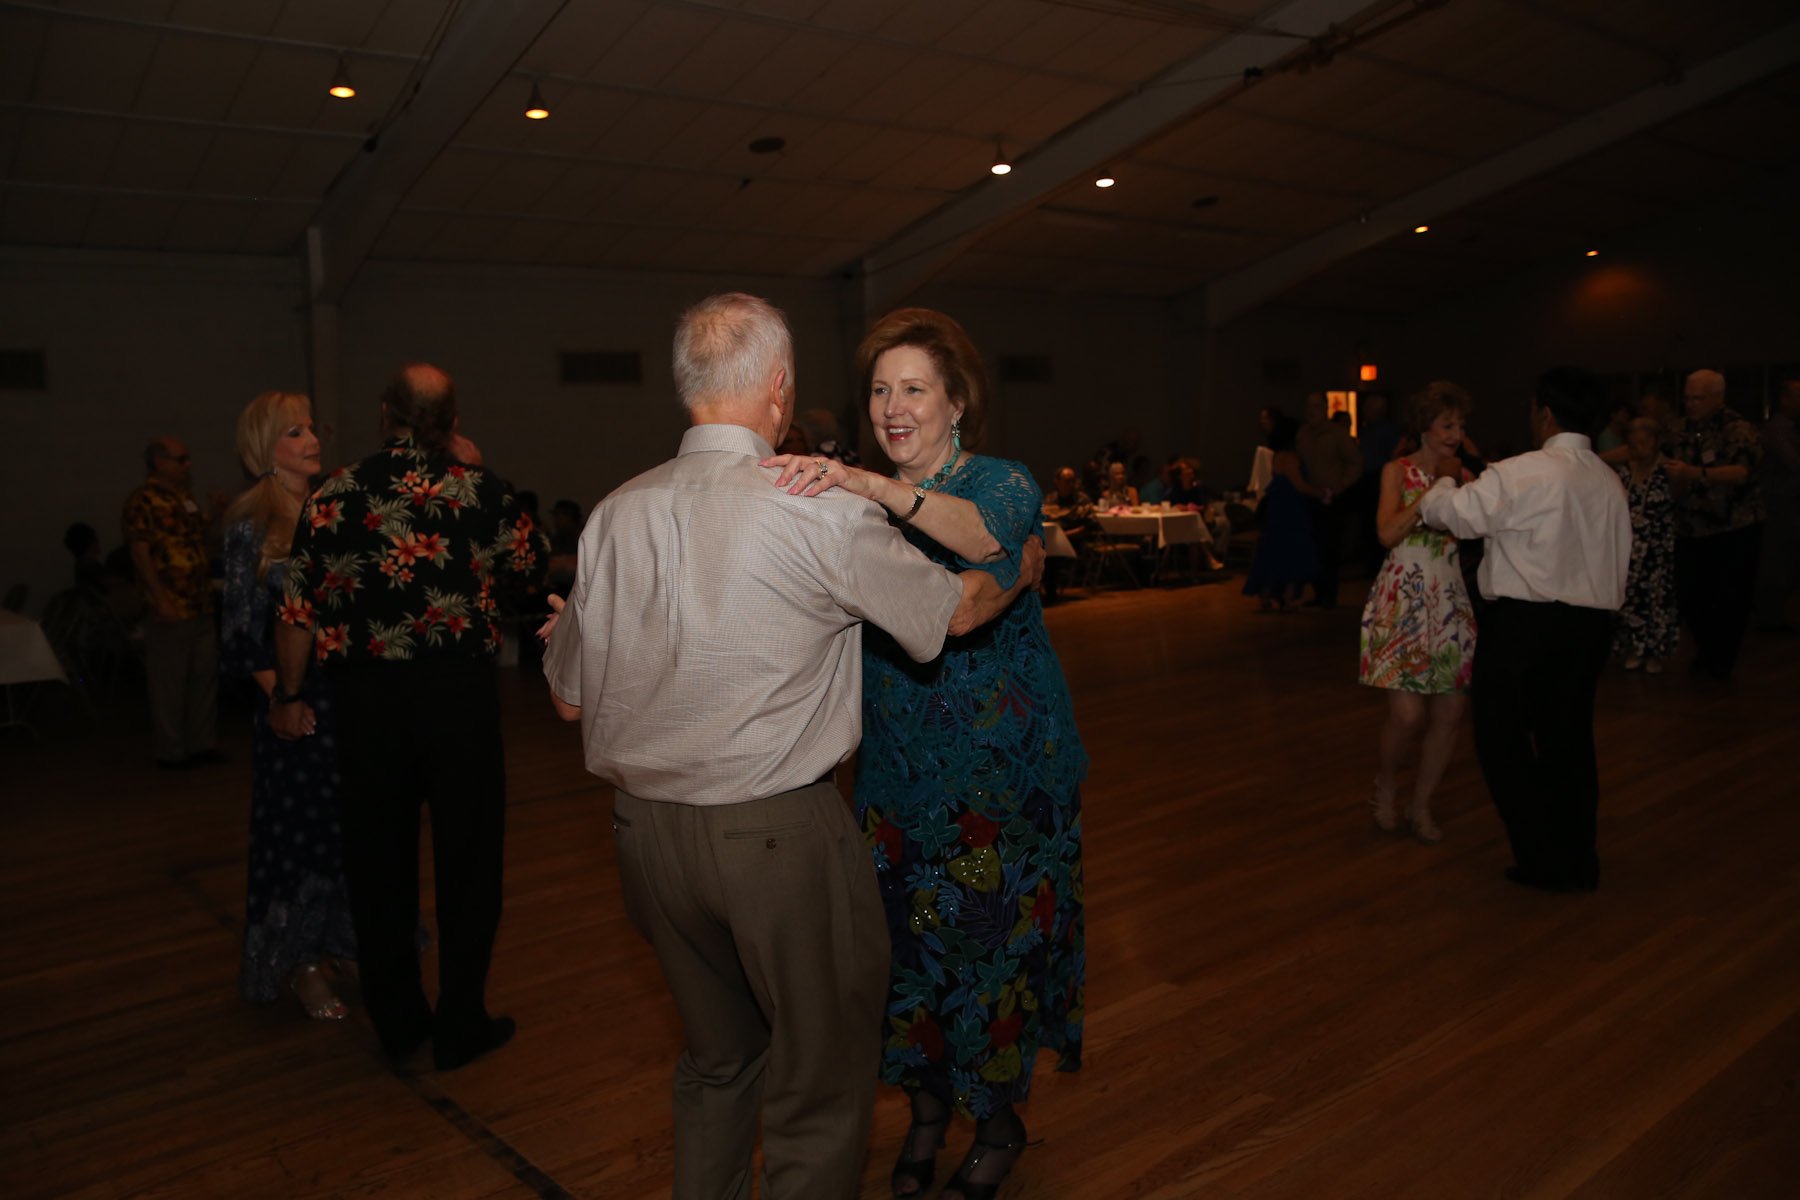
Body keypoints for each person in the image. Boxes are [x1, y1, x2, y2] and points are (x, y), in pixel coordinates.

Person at [541, 294, 1043, 1200]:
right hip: (774, 840)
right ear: (779, 388)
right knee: (818, 1085)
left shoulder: (615, 513)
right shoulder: (812, 509)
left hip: (646, 842)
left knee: (717, 1061)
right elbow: (953, 614)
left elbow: (570, 698)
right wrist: (1017, 572)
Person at [761, 305, 1085, 1200]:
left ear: (956, 402)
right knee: (904, 956)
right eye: (879, 391)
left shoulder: (1000, 485)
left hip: (1000, 774)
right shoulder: (847, 508)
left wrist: (866, 485)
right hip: (897, 772)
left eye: (913, 390)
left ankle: (999, 1122)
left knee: (988, 949)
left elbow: (978, 561)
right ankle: (928, 1111)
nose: (893, 408)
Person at [269, 363, 542, 1070]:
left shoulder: (334, 493)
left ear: (383, 412)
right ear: (453, 420)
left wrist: (288, 696)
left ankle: (398, 1023)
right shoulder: (481, 489)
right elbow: (529, 574)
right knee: (469, 861)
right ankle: (461, 1023)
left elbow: (297, 611)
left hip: (367, 704)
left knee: (378, 863)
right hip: (458, 699)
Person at [1417, 367, 1630, 893]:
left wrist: (1443, 478)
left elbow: (1452, 516)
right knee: (1568, 741)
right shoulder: (1608, 480)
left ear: (1546, 413)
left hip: (1526, 625)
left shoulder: (1523, 471)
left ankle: (1541, 857)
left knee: (1502, 741)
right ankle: (1577, 860)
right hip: (1589, 628)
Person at [220, 392, 356, 1020]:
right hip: (293, 702)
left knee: (350, 831)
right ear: (264, 448)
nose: (311, 439)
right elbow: (242, 632)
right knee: (299, 838)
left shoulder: (335, 507)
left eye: (310, 428)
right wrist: (284, 698)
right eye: (293, 432)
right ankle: (301, 963)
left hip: (349, 700)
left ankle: (349, 941)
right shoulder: (251, 523)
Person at [1359, 382, 1478, 843]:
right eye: (1447, 425)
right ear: (1425, 427)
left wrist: (1462, 482)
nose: (1455, 434)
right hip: (1402, 598)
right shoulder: (1397, 471)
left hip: (1448, 599)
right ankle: (1386, 787)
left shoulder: (1465, 476)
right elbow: (1387, 534)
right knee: (1408, 716)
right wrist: (1437, 489)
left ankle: (1422, 804)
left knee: (1449, 714)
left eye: (1460, 426)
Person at [123, 436, 223, 769]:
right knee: (169, 682)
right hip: (171, 605)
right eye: (181, 460)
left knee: (203, 676)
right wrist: (160, 598)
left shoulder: (185, 498)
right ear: (160, 463)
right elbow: (140, 552)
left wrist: (217, 514)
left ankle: (202, 743)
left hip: (200, 601)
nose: (188, 465)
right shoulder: (143, 501)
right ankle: (171, 751)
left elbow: (204, 542)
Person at [1661, 369, 1763, 680]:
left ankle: (1720, 660)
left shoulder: (1738, 429)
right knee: (1690, 593)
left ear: (1718, 398)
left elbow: (1742, 472)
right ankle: (1707, 650)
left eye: (1698, 398)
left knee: (1730, 598)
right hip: (1690, 527)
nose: (1691, 404)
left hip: (1734, 527)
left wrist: (1695, 474)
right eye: (1687, 398)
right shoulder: (1678, 429)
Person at [1613, 418, 1679, 673]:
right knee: (1630, 598)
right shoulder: (1624, 472)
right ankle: (1633, 648)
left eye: (1644, 442)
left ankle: (1655, 652)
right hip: (1629, 547)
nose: (1639, 448)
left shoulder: (1669, 470)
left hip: (1658, 547)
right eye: (1634, 443)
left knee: (1657, 599)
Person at [1243, 416, 1322, 612]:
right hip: (1291, 510)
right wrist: (1322, 492)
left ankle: (1273, 595)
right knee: (1291, 551)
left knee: (1275, 550)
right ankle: (1285, 597)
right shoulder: (1290, 458)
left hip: (1279, 509)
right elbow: (1299, 485)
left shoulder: (1277, 456)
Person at [1295, 392, 1363, 609]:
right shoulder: (1303, 434)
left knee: (1329, 546)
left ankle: (1329, 594)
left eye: (1316, 406)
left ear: (1325, 409)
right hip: (1309, 496)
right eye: (1309, 406)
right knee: (1313, 545)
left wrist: (1342, 484)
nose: (1311, 411)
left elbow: (1355, 462)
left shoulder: (1337, 434)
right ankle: (1318, 592)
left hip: (1332, 498)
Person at [1753, 378, 1800, 631]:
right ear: (1785, 399)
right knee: (1778, 561)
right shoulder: (1778, 429)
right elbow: (1794, 464)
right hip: (1777, 505)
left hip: (1788, 503)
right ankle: (1768, 616)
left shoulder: (1791, 428)